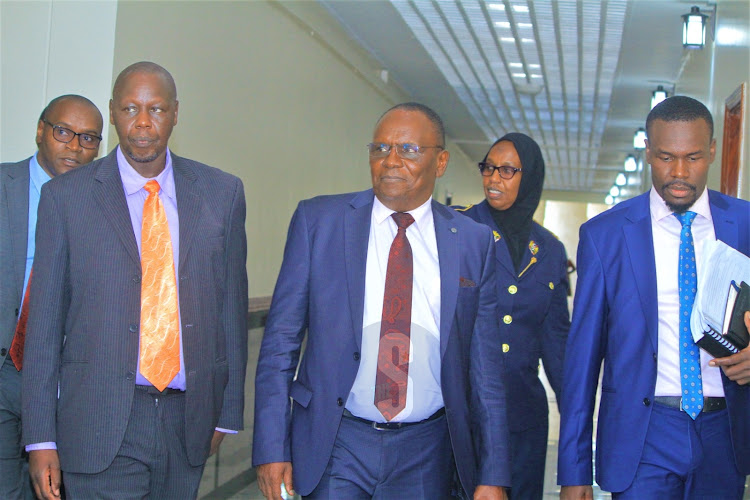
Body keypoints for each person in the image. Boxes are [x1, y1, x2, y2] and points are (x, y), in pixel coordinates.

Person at [253, 102, 511, 499]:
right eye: (380, 148)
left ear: (440, 162)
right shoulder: (319, 223)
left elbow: (486, 371)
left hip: (427, 450)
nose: (390, 160)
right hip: (337, 440)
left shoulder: (474, 243)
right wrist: (271, 446)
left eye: (408, 149)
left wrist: (493, 474)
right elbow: (279, 344)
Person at [21, 61, 248, 499]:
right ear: (112, 111)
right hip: (97, 420)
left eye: (156, 109)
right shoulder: (65, 199)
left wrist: (228, 412)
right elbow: (44, 328)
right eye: (129, 109)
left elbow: (232, 311)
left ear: (176, 113)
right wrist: (40, 438)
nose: (142, 123)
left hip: (188, 422)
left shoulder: (222, 193)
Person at [557, 95, 750, 499]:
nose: (679, 172)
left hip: (725, 433)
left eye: (693, 157)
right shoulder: (605, 235)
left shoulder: (744, 224)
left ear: (713, 150)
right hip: (641, 436)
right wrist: (574, 471)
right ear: (647, 152)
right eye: (665, 157)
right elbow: (582, 360)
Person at [455, 132, 570, 499]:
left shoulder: (549, 249)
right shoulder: (459, 231)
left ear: (530, 176)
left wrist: (576, 420)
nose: (493, 178)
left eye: (507, 170)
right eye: (488, 167)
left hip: (523, 419)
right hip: (462, 413)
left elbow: (556, 344)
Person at [0, 95, 103, 500]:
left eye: (89, 138)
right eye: (64, 132)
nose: (75, 146)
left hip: (65, 381)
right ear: (41, 131)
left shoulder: (104, 207)